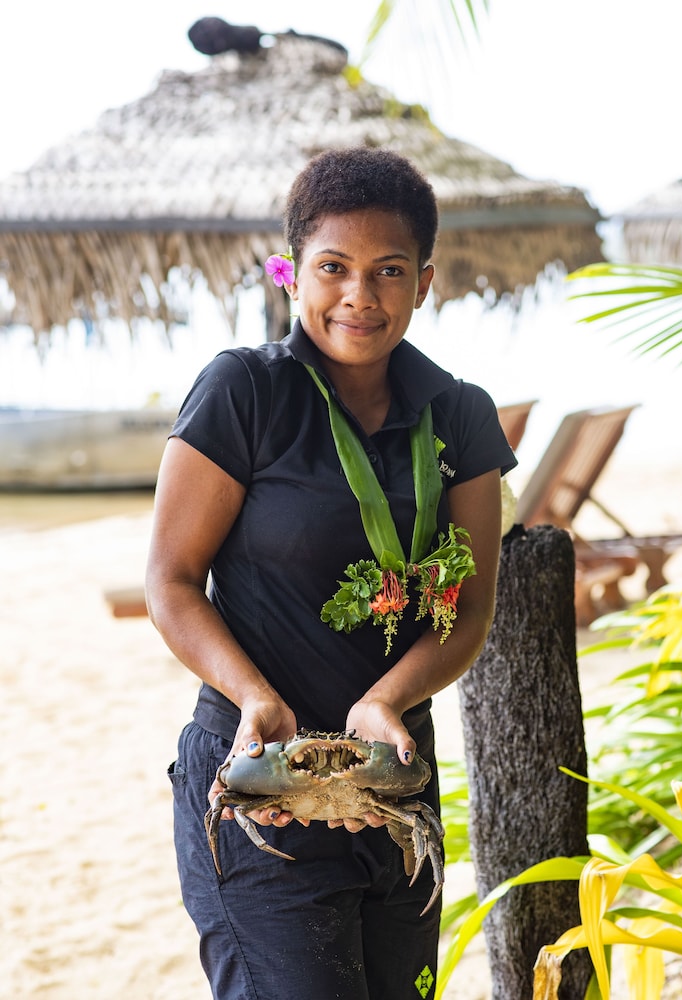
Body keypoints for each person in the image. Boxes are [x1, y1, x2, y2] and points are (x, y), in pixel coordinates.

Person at [145, 146, 517, 1000]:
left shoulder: (460, 415)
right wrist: (253, 699)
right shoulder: (244, 391)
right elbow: (170, 581)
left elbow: (467, 611)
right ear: (290, 274)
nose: (361, 294)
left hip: (390, 778)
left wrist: (386, 701)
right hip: (261, 770)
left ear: (424, 282)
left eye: (389, 270)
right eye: (333, 268)